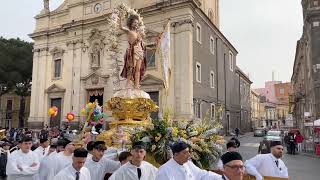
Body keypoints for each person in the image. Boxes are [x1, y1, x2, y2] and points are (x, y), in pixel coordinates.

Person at [155, 141, 220, 180]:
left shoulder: (188, 164)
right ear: (176, 155)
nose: (189, 155)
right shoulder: (164, 171)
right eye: (185, 153)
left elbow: (201, 175)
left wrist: (221, 177)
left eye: (188, 152)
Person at [119, 14, 147, 89]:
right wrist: (120, 18)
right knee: (131, 68)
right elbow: (121, 27)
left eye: (137, 23)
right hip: (133, 51)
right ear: (131, 23)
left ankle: (136, 85)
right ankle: (128, 83)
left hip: (140, 51)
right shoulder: (129, 31)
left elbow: (142, 44)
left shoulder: (138, 33)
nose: (136, 24)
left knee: (138, 69)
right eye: (134, 22)